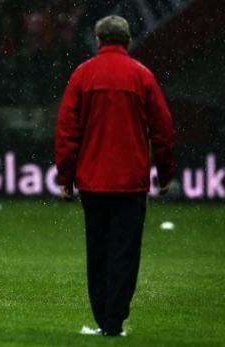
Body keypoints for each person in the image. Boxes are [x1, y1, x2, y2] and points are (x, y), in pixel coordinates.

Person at [55, 15, 175, 336]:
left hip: (93, 181)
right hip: (130, 182)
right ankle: (114, 322)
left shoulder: (83, 75)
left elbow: (67, 132)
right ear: (128, 41)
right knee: (125, 252)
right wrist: (165, 174)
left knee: (98, 250)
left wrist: (65, 177)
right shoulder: (142, 76)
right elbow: (163, 131)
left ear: (98, 40)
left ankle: (101, 318)